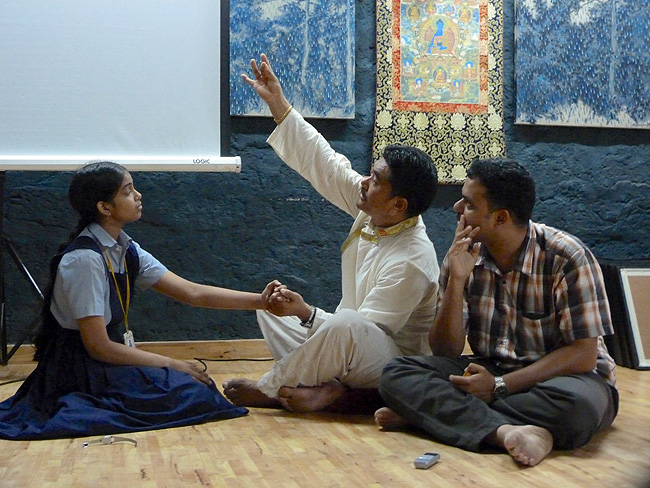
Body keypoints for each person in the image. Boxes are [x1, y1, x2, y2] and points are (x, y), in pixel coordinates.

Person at [223, 54, 440, 413]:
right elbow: (323, 162)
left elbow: (362, 334)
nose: (365, 182)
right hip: (348, 343)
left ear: (398, 205)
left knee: (346, 325)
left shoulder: (413, 259)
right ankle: (323, 391)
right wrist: (278, 103)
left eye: (376, 180)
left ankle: (273, 389)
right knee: (271, 310)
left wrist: (310, 314)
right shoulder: (373, 209)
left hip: (393, 363)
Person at [0, 161, 278, 440]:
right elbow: (98, 347)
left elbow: (193, 293)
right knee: (189, 389)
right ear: (104, 207)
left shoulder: (124, 247)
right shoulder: (84, 259)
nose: (138, 196)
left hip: (104, 360)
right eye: (128, 191)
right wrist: (172, 362)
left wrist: (262, 301)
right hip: (79, 369)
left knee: (195, 389)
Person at [375, 158, 618, 466]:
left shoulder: (566, 257)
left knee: (577, 412)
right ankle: (506, 432)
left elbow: (582, 356)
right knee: (397, 375)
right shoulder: (463, 254)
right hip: (493, 368)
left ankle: (435, 416)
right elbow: (445, 349)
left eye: (469, 204)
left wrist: (500, 387)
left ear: (500, 218)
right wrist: (457, 280)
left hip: (566, 379)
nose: (457, 209)